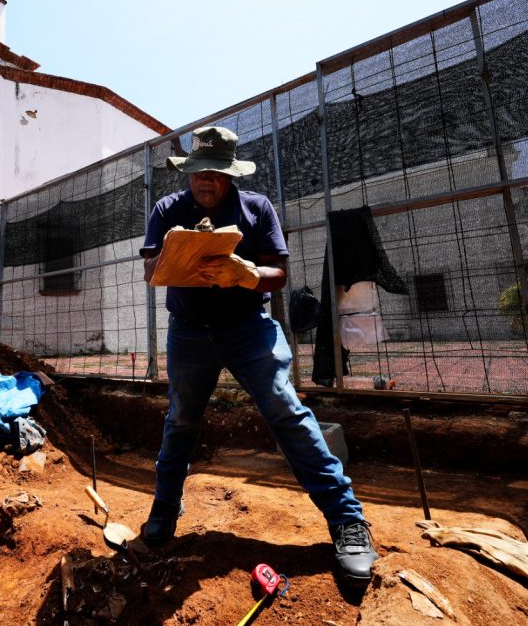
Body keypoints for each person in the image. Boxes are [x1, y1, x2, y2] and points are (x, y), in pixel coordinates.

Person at [139, 125, 379, 585]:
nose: (204, 180)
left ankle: (347, 520)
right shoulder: (168, 208)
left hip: (248, 329)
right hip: (188, 332)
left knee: (285, 410)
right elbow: (151, 267)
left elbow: (279, 274)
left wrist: (246, 273)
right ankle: (165, 506)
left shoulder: (256, 207)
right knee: (182, 419)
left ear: (230, 175)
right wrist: (179, 254)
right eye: (196, 172)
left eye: (213, 173)